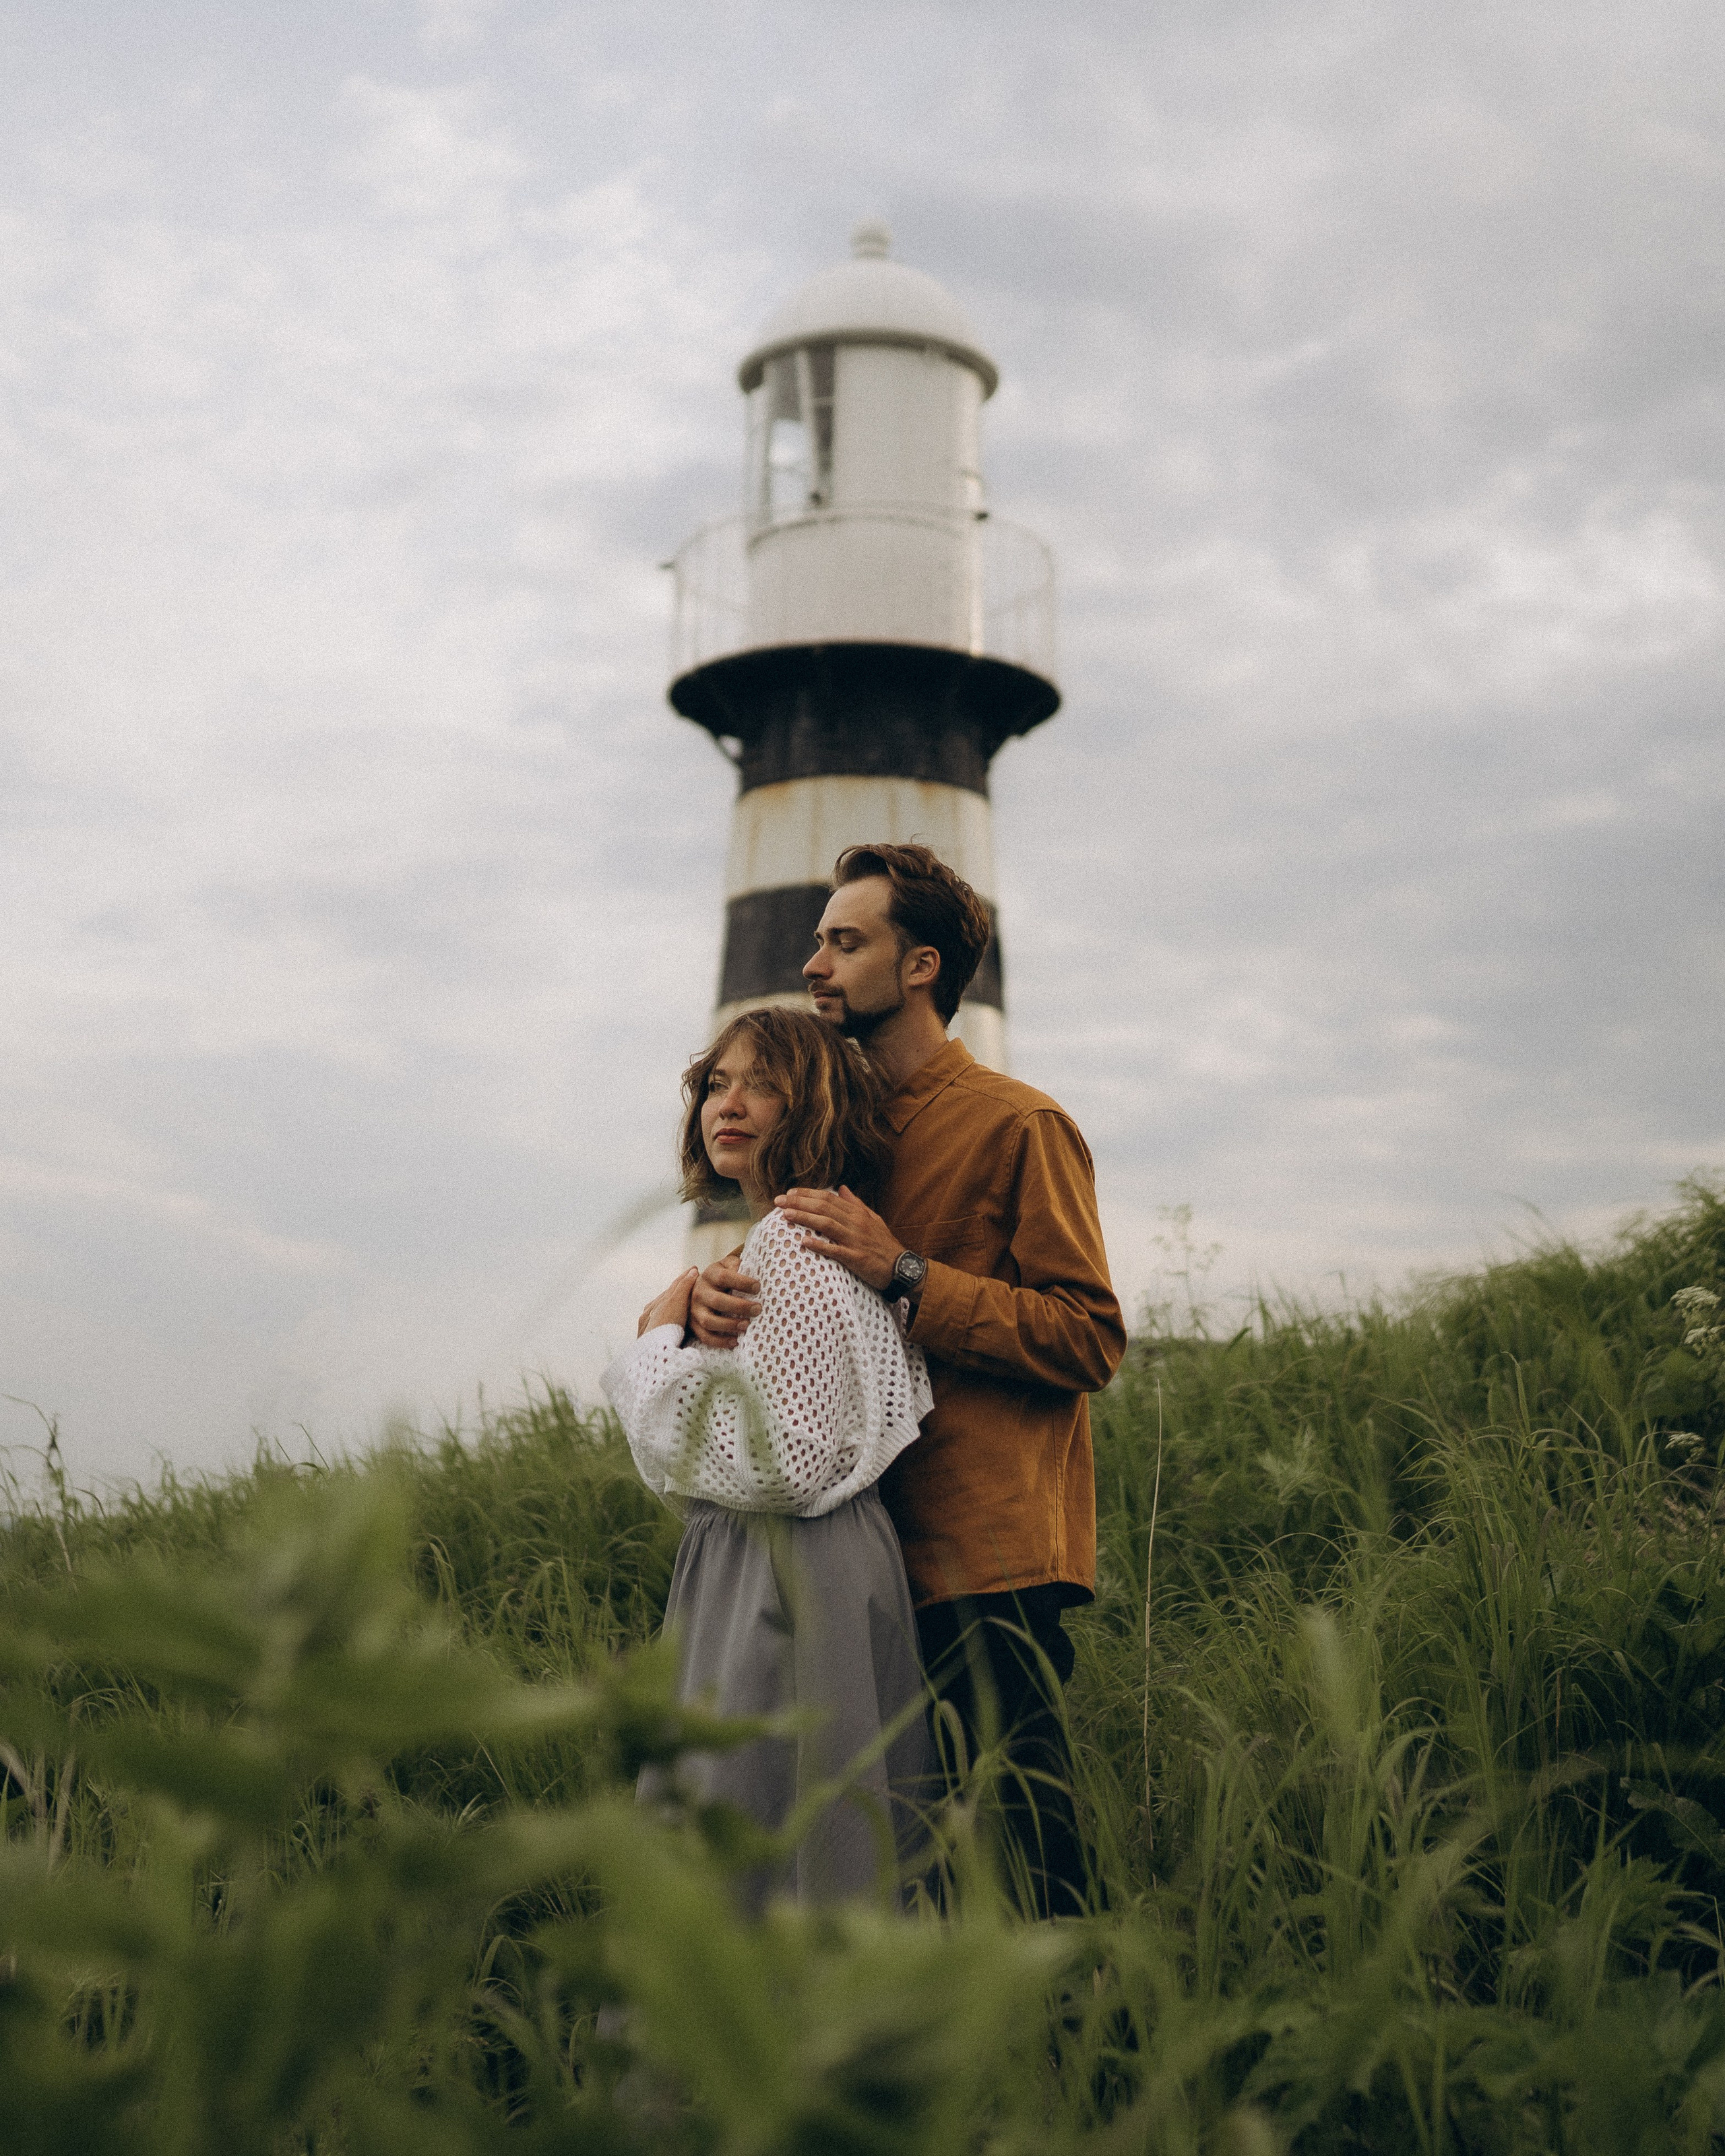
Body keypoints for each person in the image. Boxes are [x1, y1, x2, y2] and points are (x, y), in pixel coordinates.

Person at [691, 844, 1125, 1918]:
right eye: (818, 942)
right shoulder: (835, 1126)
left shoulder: (1018, 1124)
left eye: (847, 942)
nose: (814, 965)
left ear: (921, 964)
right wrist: (690, 1304)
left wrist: (905, 1274)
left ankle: (1092, 2066)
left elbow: (1089, 1338)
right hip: (853, 1557)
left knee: (1027, 1857)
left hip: (984, 1555)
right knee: (892, 1864)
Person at [602, 1005, 935, 1911]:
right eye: (717, 1083)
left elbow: (782, 1461)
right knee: (830, 1842)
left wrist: (652, 1344)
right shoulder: (809, 1238)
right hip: (827, 1558)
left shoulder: (794, 1238)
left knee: (752, 1840)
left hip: (782, 1566)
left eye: (763, 1083)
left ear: (814, 1104)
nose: (729, 1103)